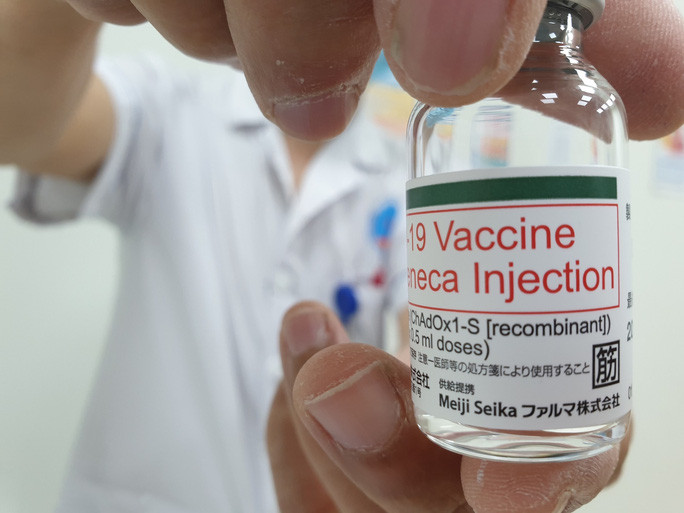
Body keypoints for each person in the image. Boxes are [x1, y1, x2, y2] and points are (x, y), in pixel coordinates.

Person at [1, 1, 682, 513]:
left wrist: (509, 402)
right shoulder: (170, 112)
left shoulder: (405, 164)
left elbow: (430, 334)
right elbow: (18, 123)